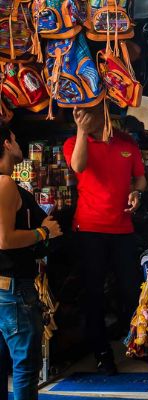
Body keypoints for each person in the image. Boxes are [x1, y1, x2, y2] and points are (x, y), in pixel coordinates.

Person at [63, 105, 147, 375]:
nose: (88, 114)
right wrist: (81, 130)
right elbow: (78, 165)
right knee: (94, 294)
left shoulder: (126, 142)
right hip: (89, 229)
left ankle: (137, 344)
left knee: (131, 289)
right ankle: (102, 353)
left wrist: (136, 192)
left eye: (94, 110)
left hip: (122, 228)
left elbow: (141, 179)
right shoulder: (73, 143)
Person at [0, 122, 62, 399]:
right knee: (26, 365)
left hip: (7, 289)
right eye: (14, 137)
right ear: (6, 144)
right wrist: (43, 231)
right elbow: (4, 239)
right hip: (12, 290)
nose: (18, 143)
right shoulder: (4, 183)